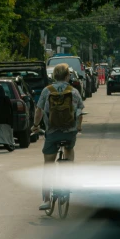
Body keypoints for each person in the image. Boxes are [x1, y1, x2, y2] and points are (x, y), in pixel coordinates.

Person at [32, 63, 84, 211]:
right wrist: (78, 126)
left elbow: (39, 110)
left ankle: (47, 200)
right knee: (69, 149)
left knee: (48, 164)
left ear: (54, 76)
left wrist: (36, 125)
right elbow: (79, 111)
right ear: (68, 76)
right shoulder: (73, 92)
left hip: (52, 132)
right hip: (69, 132)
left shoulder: (46, 91)